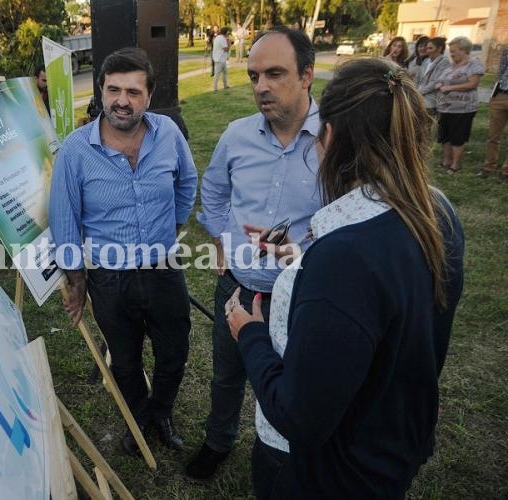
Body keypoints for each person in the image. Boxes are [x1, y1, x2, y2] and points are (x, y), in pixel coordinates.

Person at [227, 57, 465, 498]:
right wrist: (302, 260)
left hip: (328, 474)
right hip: (390, 444)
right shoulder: (436, 214)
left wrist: (251, 334)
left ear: (330, 137)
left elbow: (300, 416)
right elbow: (383, 303)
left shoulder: (345, 257)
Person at [187, 25, 322, 481]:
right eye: (254, 76)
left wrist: (303, 256)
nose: (261, 86)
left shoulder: (334, 142)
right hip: (239, 289)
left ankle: (290, 455)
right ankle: (217, 441)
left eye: (275, 74)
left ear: (307, 74)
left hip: (304, 293)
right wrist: (222, 240)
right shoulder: (237, 135)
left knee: (301, 384)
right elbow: (215, 191)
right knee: (227, 376)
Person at [49, 47, 198, 455]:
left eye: (133, 92)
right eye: (113, 90)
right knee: (125, 361)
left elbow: (187, 181)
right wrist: (77, 283)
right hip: (109, 278)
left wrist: (175, 225)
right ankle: (137, 418)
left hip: (164, 266)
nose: (122, 101)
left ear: (149, 96)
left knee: (175, 350)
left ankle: (161, 412)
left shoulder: (167, 132)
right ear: (100, 91)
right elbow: (64, 222)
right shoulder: (76, 150)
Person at [434, 36, 484, 173]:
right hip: (444, 107)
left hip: (462, 109)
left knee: (457, 136)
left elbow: (473, 84)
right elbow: (440, 80)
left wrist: (449, 88)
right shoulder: (451, 66)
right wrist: (439, 84)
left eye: (454, 50)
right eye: (451, 50)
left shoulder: (474, 65)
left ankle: (455, 165)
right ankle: (446, 161)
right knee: (445, 135)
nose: (451, 53)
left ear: (464, 50)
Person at [479, 46, 508, 181]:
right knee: (493, 135)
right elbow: (501, 70)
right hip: (501, 93)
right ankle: (489, 166)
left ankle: (506, 171)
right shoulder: (507, 48)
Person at [417, 37, 449, 116]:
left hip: (431, 99)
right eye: (427, 48)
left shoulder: (444, 62)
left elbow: (436, 82)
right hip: (419, 97)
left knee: (426, 124)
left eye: (430, 48)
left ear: (439, 49)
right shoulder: (426, 61)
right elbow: (420, 78)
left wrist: (420, 92)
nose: (427, 51)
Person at [212, 27, 230, 91]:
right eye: (228, 32)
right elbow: (226, 49)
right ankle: (215, 87)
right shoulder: (222, 39)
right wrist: (228, 42)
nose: (228, 33)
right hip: (220, 58)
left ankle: (225, 85)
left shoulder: (217, 37)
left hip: (220, 58)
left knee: (225, 72)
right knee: (217, 73)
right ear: (225, 32)